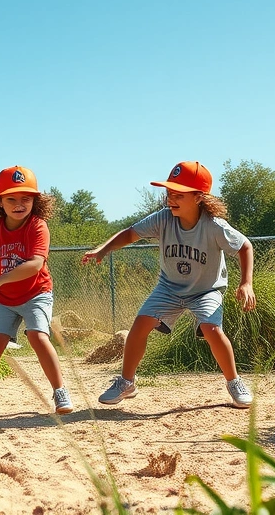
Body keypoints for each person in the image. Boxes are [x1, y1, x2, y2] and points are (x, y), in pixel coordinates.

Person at [82, 161, 256, 408]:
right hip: (169, 288)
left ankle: (234, 382)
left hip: (206, 290)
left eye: (178, 194)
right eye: (169, 193)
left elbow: (245, 246)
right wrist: (103, 249)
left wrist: (246, 283)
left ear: (198, 197)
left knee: (211, 329)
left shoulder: (214, 226)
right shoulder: (164, 219)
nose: (170, 199)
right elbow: (131, 233)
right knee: (141, 324)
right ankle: (126, 382)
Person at [0, 166, 73, 417]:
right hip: (5, 299)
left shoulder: (37, 226)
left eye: (26, 198)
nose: (19, 204)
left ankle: (60, 391)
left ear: (35, 201)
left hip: (36, 293)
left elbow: (35, 265)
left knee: (37, 336)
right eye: (11, 198)